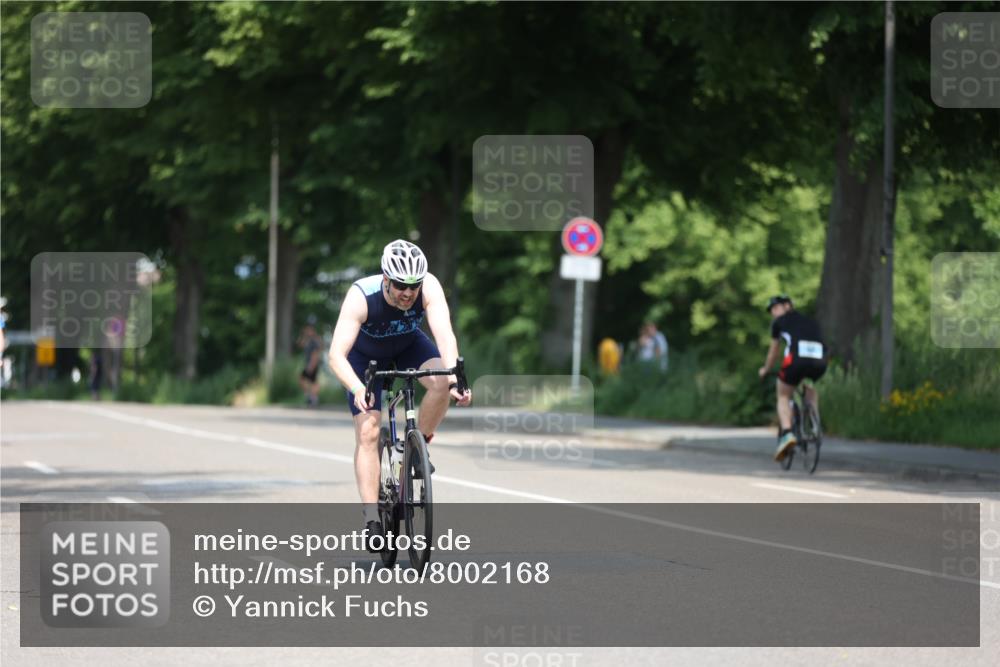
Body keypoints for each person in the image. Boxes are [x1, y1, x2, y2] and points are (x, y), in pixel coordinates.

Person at [328, 239, 471, 550]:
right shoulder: (361, 297)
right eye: (400, 286)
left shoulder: (429, 286)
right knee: (368, 430)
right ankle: (372, 520)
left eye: (414, 286)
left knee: (441, 383)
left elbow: (444, 335)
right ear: (385, 279)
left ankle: (418, 448)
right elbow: (336, 355)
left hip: (408, 344)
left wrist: (455, 380)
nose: (408, 293)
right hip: (365, 358)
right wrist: (357, 388)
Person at [757, 295, 827, 461]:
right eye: (772, 310)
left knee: (783, 395)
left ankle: (787, 434)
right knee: (810, 389)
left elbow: (774, 352)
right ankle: (814, 424)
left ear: (788, 306)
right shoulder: (810, 321)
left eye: (776, 308)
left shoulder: (779, 322)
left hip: (796, 360)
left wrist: (766, 369)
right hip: (820, 360)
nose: (773, 313)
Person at [298, 323, 323, 406]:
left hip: (312, 364)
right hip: (310, 364)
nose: (307, 331)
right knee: (311, 381)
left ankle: (312, 398)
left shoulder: (314, 341)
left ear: (312, 330)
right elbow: (300, 344)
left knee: (311, 381)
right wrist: (303, 335)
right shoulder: (308, 340)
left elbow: (315, 354)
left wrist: (312, 365)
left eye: (308, 330)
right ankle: (312, 397)